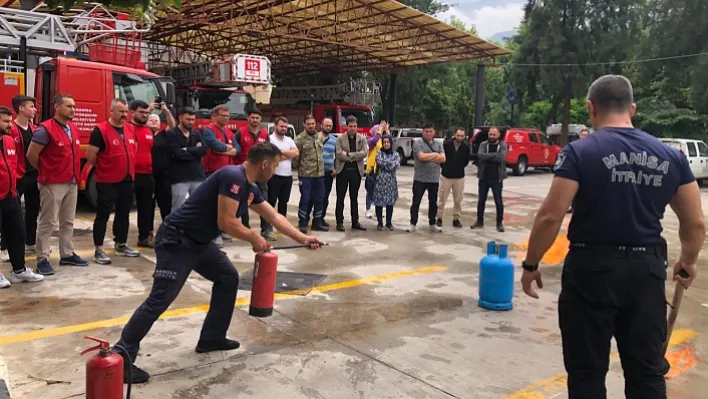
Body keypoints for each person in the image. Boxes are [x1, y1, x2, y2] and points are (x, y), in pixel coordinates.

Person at [520, 74, 705, 399]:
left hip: (591, 271)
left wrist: (531, 262)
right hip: (645, 273)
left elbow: (550, 216)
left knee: (587, 372)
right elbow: (696, 224)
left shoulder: (579, 152)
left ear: (591, 108)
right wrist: (687, 261)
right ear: (631, 108)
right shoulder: (671, 157)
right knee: (646, 371)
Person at [115, 142, 325, 384]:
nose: (275, 172)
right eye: (275, 166)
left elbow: (274, 216)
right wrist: (254, 237)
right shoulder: (232, 176)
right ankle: (122, 355)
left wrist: (304, 238)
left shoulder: (250, 186)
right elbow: (226, 222)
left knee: (227, 278)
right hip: (177, 240)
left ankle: (212, 338)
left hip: (199, 242)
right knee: (160, 298)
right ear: (264, 163)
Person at [26, 94, 88, 275]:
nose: (73, 110)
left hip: (72, 181)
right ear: (57, 107)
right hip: (52, 183)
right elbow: (31, 155)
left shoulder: (73, 128)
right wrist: (45, 170)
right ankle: (42, 259)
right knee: (47, 222)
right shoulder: (45, 130)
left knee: (67, 222)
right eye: (69, 106)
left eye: (74, 106)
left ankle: (67, 254)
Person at [86, 99, 141, 265]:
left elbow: (133, 149)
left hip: (127, 178)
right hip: (107, 180)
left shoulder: (130, 128)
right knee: (103, 215)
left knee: (123, 213)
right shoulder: (100, 130)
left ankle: (121, 244)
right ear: (111, 111)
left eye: (126, 111)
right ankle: (99, 249)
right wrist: (106, 167)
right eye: (120, 111)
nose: (124, 115)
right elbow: (91, 156)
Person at [0, 106, 44, 288]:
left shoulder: (10, 141)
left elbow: (16, 164)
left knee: (17, 233)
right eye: (5, 121)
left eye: (10, 121)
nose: (10, 124)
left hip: (11, 195)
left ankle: (19, 270)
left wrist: (14, 188)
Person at [201, 105, 240, 247]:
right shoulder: (208, 130)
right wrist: (227, 149)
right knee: (213, 204)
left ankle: (223, 229)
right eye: (223, 115)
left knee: (225, 204)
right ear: (214, 116)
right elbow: (214, 145)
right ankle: (214, 235)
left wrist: (226, 150)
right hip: (213, 171)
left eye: (228, 115)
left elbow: (237, 149)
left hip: (228, 172)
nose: (226, 118)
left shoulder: (229, 131)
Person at [234, 108, 275, 240]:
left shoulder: (264, 133)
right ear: (248, 118)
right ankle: (245, 228)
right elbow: (236, 151)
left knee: (264, 200)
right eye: (253, 118)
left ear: (261, 119)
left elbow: (269, 153)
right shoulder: (240, 133)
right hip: (245, 173)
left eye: (257, 118)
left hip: (261, 174)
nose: (255, 120)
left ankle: (267, 229)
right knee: (244, 201)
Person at [7, 95, 40, 255]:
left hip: (34, 175)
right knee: (11, 212)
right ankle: (5, 246)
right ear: (21, 108)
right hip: (17, 176)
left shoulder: (35, 129)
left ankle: (30, 241)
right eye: (31, 106)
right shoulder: (11, 128)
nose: (35, 109)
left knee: (33, 210)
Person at [406, 122, 445, 233]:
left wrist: (430, 157)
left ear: (434, 132)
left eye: (430, 131)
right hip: (420, 178)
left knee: (433, 202)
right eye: (426, 131)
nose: (428, 133)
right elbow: (421, 157)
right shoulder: (418, 143)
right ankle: (413, 223)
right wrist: (435, 155)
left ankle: (432, 223)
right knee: (416, 201)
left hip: (434, 178)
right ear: (423, 132)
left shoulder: (438, 143)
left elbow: (443, 158)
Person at [166, 107, 207, 210]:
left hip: (197, 176)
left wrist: (188, 149)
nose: (191, 122)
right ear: (180, 118)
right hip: (180, 178)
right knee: (177, 207)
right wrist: (195, 152)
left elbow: (204, 150)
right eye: (188, 119)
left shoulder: (196, 133)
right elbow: (178, 154)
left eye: (193, 119)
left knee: (198, 207)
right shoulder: (172, 134)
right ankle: (175, 226)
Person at [293, 114, 328, 233]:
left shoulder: (319, 136)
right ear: (304, 124)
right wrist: (300, 170)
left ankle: (317, 222)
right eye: (308, 124)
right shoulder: (299, 139)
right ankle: (303, 222)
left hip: (319, 175)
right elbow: (296, 158)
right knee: (305, 199)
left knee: (319, 199)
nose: (311, 126)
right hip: (306, 175)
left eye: (313, 124)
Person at [334, 115, 368, 232]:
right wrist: (354, 156)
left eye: (355, 126)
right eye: (350, 126)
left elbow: (364, 153)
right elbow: (338, 154)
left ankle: (355, 222)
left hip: (356, 172)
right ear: (346, 126)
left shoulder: (362, 138)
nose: (353, 128)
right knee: (340, 198)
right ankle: (339, 222)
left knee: (354, 198)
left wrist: (349, 155)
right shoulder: (340, 139)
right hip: (342, 171)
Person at [130, 100, 157, 249]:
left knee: (146, 208)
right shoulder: (127, 128)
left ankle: (145, 237)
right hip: (131, 175)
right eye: (141, 112)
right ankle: (120, 240)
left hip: (147, 175)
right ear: (132, 112)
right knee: (123, 209)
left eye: (147, 113)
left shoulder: (149, 131)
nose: (145, 115)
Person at [471, 127, 507, 232]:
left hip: (497, 178)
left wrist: (488, 157)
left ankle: (499, 223)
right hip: (483, 177)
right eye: (490, 134)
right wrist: (494, 156)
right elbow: (481, 156)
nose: (491, 136)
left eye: (494, 135)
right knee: (481, 200)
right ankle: (479, 221)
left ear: (498, 135)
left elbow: (501, 158)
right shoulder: (483, 144)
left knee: (498, 202)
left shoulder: (502, 145)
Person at [435, 128, 470, 228]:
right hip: (446, 176)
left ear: (464, 136)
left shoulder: (466, 147)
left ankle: (456, 219)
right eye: (458, 135)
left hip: (459, 177)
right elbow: (441, 158)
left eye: (462, 136)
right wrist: (446, 167)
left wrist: (459, 167)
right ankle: (439, 218)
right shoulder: (446, 145)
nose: (459, 137)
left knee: (458, 199)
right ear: (455, 134)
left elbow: (466, 161)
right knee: (442, 198)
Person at [267, 116, 298, 217]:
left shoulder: (289, 140)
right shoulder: (270, 139)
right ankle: (268, 224)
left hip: (287, 177)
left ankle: (282, 224)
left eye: (285, 127)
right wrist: (288, 155)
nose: (284, 128)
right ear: (275, 126)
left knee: (283, 203)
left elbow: (296, 154)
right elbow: (271, 157)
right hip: (273, 176)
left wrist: (280, 151)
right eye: (281, 126)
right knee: (271, 202)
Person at [372, 135, 400, 231]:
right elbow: (380, 162)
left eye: (388, 142)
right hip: (380, 181)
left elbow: (396, 165)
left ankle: (389, 222)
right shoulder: (379, 153)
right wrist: (389, 163)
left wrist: (387, 164)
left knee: (390, 203)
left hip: (391, 182)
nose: (386, 144)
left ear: (391, 143)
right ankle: (380, 223)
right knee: (379, 203)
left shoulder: (396, 154)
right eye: (384, 142)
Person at [149, 113, 172, 221]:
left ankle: (166, 228)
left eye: (156, 120)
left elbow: (172, 125)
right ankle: (147, 231)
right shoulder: (142, 133)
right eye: (151, 119)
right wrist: (148, 110)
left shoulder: (164, 134)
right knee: (148, 205)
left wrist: (166, 110)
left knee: (165, 204)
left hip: (164, 175)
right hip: (148, 174)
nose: (154, 121)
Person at [364, 122, 387, 219]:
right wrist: (380, 130)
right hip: (372, 169)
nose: (380, 132)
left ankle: (377, 210)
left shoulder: (383, 141)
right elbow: (375, 140)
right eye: (378, 130)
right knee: (370, 191)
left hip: (381, 169)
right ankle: (368, 210)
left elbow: (389, 142)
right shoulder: (371, 141)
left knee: (380, 191)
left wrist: (386, 130)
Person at [318, 117, 337, 227]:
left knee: (325, 197)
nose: (328, 127)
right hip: (315, 172)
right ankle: (311, 218)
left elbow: (337, 156)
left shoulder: (335, 140)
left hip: (328, 173)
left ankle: (321, 218)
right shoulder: (315, 138)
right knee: (314, 197)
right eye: (326, 125)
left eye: (330, 125)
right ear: (321, 125)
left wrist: (335, 168)